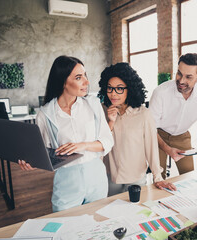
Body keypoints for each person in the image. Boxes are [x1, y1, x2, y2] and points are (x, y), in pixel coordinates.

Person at [18, 56, 114, 212]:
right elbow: (44, 154)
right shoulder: (45, 115)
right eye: (78, 77)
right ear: (63, 81)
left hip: (96, 176)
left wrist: (83, 145)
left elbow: (107, 141)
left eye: (85, 75)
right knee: (65, 227)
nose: (86, 82)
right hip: (67, 181)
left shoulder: (93, 105)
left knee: (96, 225)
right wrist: (31, 163)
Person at [98, 62, 176, 196]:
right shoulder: (102, 111)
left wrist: (158, 177)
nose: (113, 94)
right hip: (110, 177)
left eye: (119, 88)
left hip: (135, 179)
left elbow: (151, 147)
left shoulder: (143, 114)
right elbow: (100, 144)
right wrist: (110, 121)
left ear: (130, 89)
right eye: (110, 88)